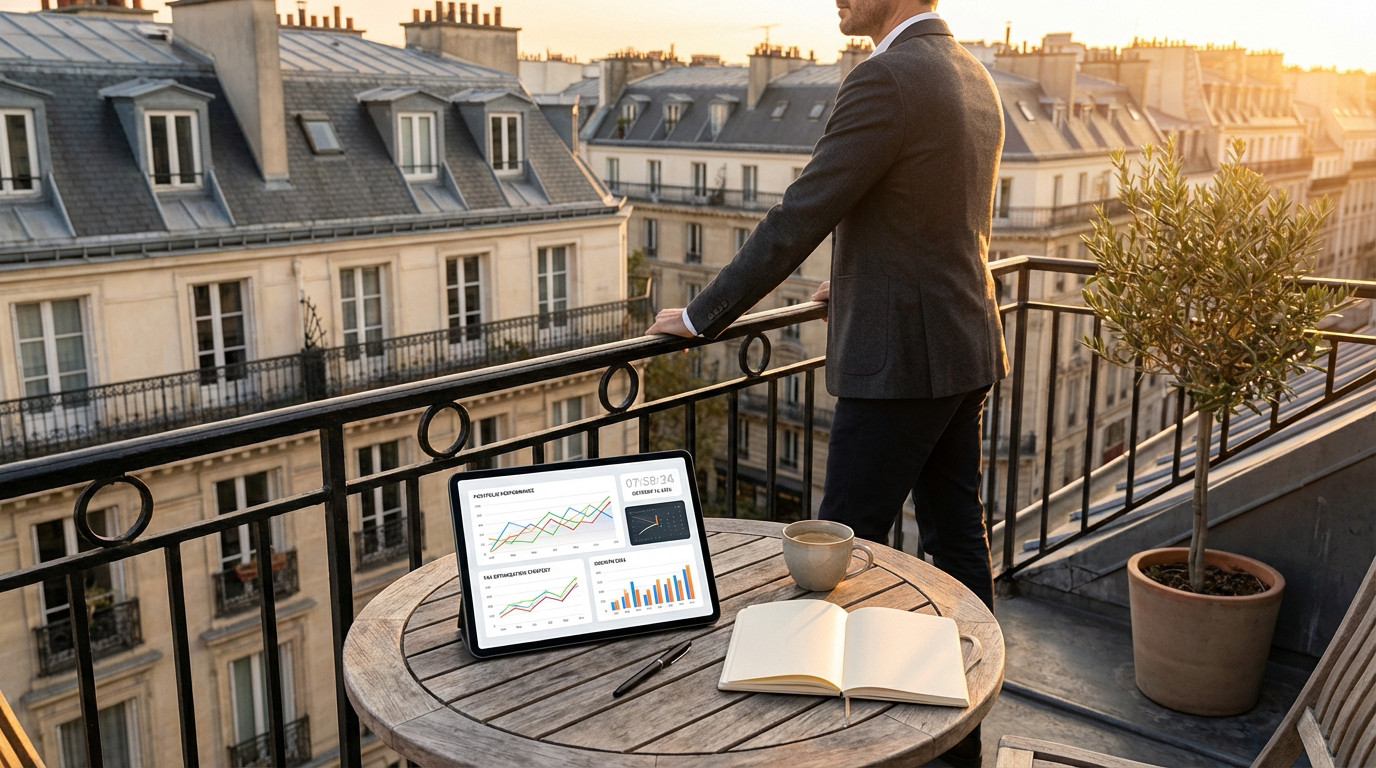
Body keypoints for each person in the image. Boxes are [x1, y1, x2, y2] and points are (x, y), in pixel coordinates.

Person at [647, 1, 1006, 763]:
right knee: (956, 544)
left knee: (835, 557)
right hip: (963, 344)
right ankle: (960, 738)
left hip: (901, 364)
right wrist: (861, 280)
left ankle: (834, 748)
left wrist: (706, 314)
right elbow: (937, 218)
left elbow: (800, 213)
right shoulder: (970, 72)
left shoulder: (888, 78)